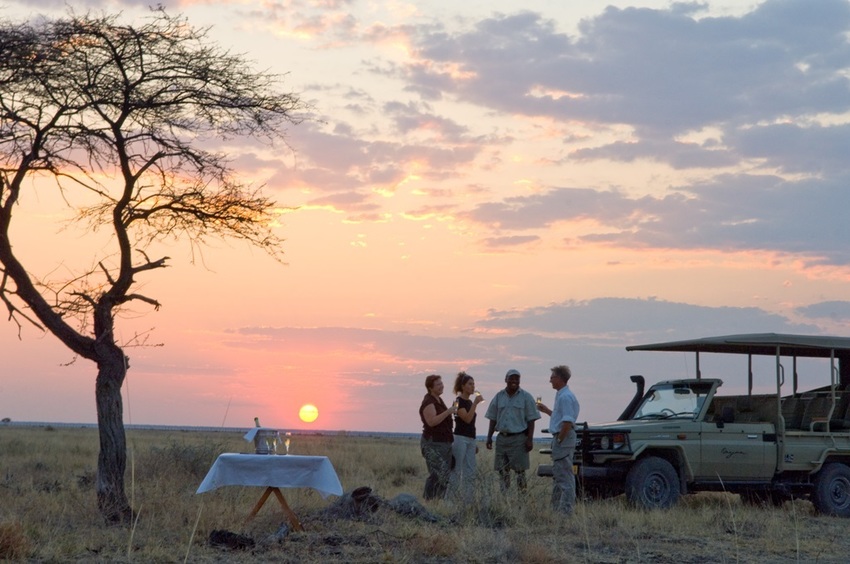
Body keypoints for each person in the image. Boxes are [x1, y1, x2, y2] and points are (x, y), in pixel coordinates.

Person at [485, 369, 540, 491]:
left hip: (519, 439)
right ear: (506, 380)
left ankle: (522, 500)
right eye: (511, 378)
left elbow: (532, 420)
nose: (514, 381)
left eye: (517, 378)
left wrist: (530, 439)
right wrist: (489, 437)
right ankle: (505, 499)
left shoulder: (526, 397)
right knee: (502, 471)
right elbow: (492, 418)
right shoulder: (499, 396)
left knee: (520, 472)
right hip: (502, 439)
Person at [537, 365, 581, 514]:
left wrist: (560, 439)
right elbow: (562, 417)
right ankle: (557, 510)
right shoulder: (562, 395)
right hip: (562, 438)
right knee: (559, 474)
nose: (550, 380)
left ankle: (565, 512)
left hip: (563, 439)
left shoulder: (565, 397)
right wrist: (547, 411)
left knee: (564, 476)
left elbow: (567, 422)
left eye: (553, 377)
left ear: (560, 379)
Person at [419, 374, 456, 500]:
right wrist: (448, 412)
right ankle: (429, 501)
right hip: (433, 443)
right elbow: (432, 422)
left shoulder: (438, 400)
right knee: (436, 474)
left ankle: (438, 501)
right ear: (430, 387)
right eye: (438, 384)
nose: (442, 386)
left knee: (444, 474)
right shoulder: (428, 401)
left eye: (441, 383)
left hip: (443, 442)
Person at [448, 371, 485, 501]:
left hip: (470, 438)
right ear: (463, 386)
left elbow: (471, 423)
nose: (473, 386)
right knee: (456, 470)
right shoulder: (458, 402)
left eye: (473, 384)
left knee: (470, 471)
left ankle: (468, 500)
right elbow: (467, 419)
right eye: (470, 384)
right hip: (460, 438)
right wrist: (475, 404)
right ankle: (450, 500)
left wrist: (474, 441)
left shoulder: (469, 402)